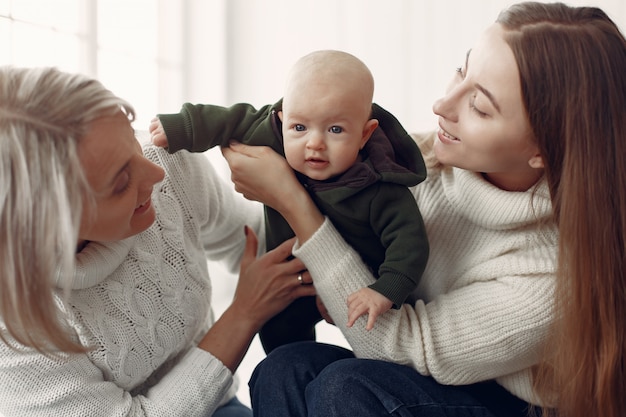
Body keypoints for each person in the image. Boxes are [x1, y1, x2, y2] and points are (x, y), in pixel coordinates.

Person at [219, 2, 626, 417]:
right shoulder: (419, 163)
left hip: (506, 402)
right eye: (462, 71)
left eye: (480, 107)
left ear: (543, 149)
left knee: (345, 389)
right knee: (284, 369)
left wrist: (291, 201)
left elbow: (399, 347)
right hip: (416, 375)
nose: (442, 105)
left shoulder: (552, 276)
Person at [0, 66, 316, 417]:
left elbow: (258, 240)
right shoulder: (11, 329)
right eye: (121, 182)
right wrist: (244, 315)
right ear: (48, 225)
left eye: (131, 138)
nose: (155, 173)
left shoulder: (165, 166)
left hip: (219, 406)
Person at [149, 50, 429, 352]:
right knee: (280, 337)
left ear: (365, 135)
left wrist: (385, 290)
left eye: (335, 129)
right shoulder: (272, 134)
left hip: (359, 280)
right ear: (282, 120)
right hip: (294, 278)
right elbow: (228, 121)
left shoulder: (381, 188)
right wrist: (182, 127)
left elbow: (410, 244)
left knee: (368, 336)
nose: (314, 143)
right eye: (299, 127)